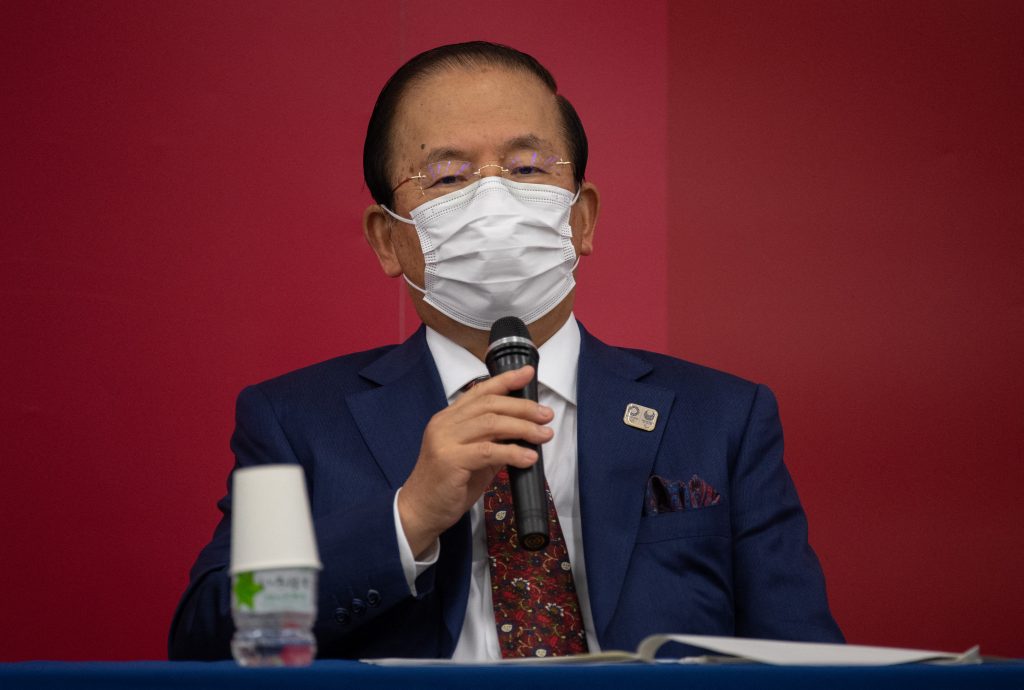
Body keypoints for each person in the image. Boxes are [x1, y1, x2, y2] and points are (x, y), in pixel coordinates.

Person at [169, 41, 842, 661]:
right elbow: (208, 637)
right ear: (387, 239)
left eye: (525, 167)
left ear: (581, 220)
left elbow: (809, 661)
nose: (493, 198)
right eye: (447, 176)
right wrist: (406, 521)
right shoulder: (297, 421)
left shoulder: (723, 417)